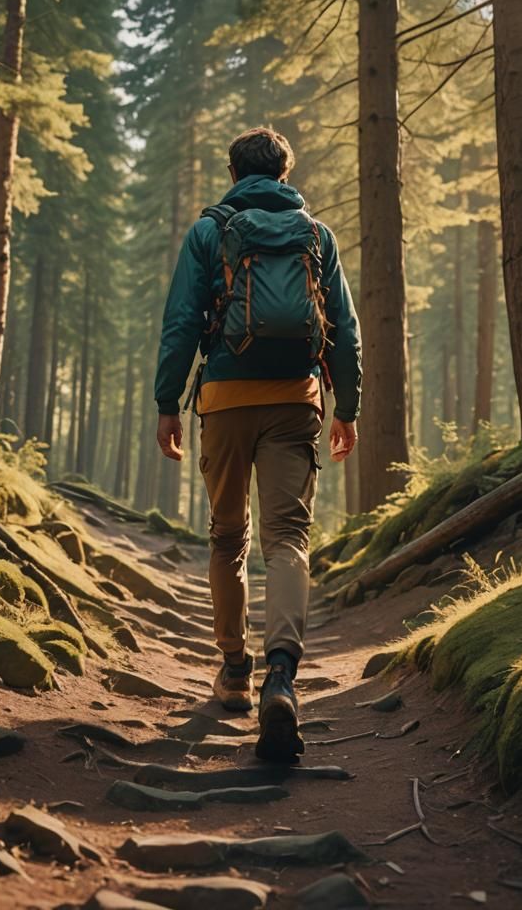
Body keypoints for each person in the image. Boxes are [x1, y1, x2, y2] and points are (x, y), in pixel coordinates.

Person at [154, 125, 362, 762]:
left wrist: (168, 402)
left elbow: (184, 321)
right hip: (295, 400)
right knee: (288, 539)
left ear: (233, 170)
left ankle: (235, 670)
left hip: (224, 400)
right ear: (285, 173)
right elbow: (345, 332)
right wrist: (347, 409)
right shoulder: (317, 235)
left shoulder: (209, 231)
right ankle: (282, 677)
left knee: (226, 535)